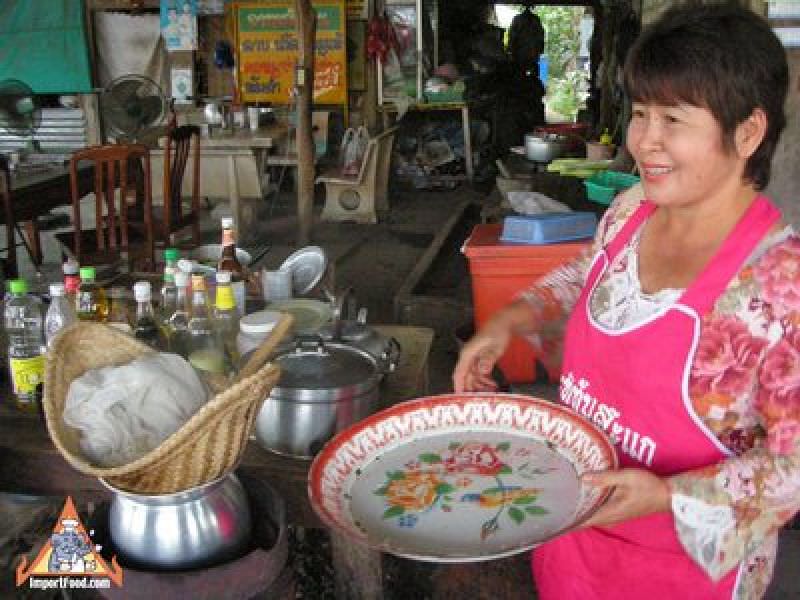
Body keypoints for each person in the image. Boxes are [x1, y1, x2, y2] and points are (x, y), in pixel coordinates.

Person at [453, 3, 795, 598]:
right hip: (572, 539)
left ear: (748, 131)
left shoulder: (777, 288)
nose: (645, 141)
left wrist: (666, 495)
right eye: (640, 113)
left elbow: (792, 471)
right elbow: (593, 273)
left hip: (679, 570)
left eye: (673, 119)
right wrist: (512, 319)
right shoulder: (632, 210)